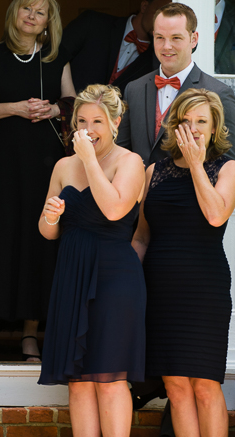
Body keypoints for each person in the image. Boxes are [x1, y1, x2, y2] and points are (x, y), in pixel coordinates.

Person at [0, 0, 77, 362]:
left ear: (50, 22)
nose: (33, 16)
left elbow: (73, 105)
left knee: (40, 240)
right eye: (27, 9)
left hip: (45, 162)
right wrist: (15, 108)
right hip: (3, 160)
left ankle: (31, 335)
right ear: (15, 13)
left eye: (41, 12)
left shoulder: (57, 58)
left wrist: (53, 111)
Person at [37, 84, 147, 437]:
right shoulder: (62, 166)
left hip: (114, 278)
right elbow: (46, 231)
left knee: (110, 378)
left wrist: (88, 160)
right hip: (71, 275)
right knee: (79, 381)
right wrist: (51, 216)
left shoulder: (131, 162)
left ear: (115, 122)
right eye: (81, 120)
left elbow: (115, 209)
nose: (87, 128)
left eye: (97, 121)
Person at [132, 88, 235, 437]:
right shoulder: (154, 171)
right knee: (177, 388)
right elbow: (141, 236)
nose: (193, 128)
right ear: (174, 126)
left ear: (214, 128)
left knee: (206, 386)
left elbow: (215, 214)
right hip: (161, 289)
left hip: (204, 288)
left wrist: (196, 163)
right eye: (186, 121)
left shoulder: (228, 168)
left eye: (201, 122)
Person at [117, 3, 235, 166]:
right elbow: (122, 152)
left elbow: (229, 165)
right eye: (160, 37)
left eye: (176, 38)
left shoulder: (219, 93)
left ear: (193, 39)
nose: (166, 46)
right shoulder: (134, 89)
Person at [60, 0, 166, 97]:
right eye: (159, 13)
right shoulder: (93, 23)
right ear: (144, 6)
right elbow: (54, 58)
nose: (162, 21)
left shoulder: (159, 58)